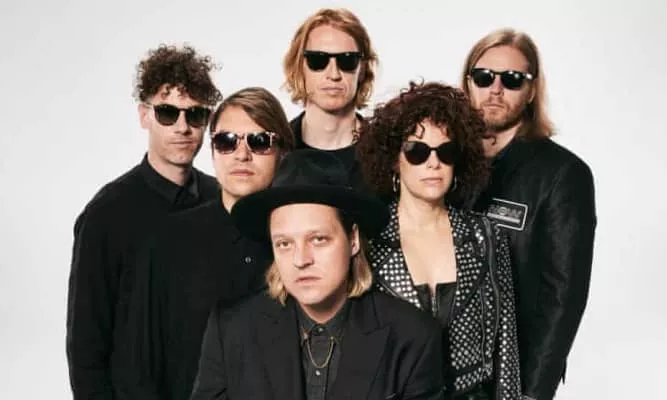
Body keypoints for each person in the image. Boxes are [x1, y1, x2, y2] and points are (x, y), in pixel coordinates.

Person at [190, 149, 445, 400]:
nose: (301, 260)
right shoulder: (231, 330)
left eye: (319, 239)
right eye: (284, 244)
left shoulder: (412, 337)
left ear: (353, 240)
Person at [66, 44, 221, 399]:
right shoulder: (106, 214)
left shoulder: (220, 199)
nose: (183, 127)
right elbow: (86, 343)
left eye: (195, 115)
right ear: (144, 115)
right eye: (168, 113)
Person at [125, 87, 295, 399]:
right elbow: (139, 364)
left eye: (259, 141)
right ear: (213, 150)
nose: (241, 155)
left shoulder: (302, 244)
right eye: (227, 141)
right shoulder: (167, 240)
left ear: (282, 151)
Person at [357, 81, 521, 399]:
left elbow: (507, 348)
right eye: (417, 152)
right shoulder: (368, 239)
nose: (433, 163)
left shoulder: (485, 235)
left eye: (445, 152)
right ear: (394, 160)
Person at [461, 28, 597, 400]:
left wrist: (533, 393)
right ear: (468, 83)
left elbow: (563, 298)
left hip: (513, 375)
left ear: (532, 90)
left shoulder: (563, 174)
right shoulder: (442, 161)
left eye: (512, 80)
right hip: (440, 371)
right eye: (484, 77)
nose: (495, 90)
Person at [282, 8, 378, 190]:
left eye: (347, 60)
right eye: (317, 60)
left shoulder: (386, 153)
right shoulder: (275, 150)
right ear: (299, 66)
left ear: (362, 69)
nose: (334, 74)